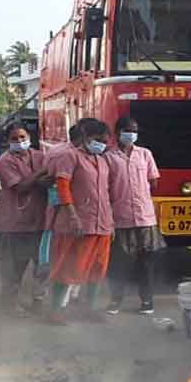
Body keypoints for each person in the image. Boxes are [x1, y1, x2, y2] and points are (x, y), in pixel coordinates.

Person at [47, 118, 114, 325]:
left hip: (101, 223)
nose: (102, 144)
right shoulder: (70, 156)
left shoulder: (103, 160)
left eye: (105, 140)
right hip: (77, 223)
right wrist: (72, 214)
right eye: (98, 139)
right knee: (69, 267)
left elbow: (106, 192)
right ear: (86, 137)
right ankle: (55, 311)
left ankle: (89, 309)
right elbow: (62, 186)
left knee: (98, 268)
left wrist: (111, 223)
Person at [106, 117, 166, 316]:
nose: (131, 134)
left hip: (145, 218)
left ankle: (147, 301)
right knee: (120, 261)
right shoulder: (109, 157)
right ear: (118, 132)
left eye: (135, 130)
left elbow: (153, 181)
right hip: (121, 217)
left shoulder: (145, 154)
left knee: (147, 261)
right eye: (128, 130)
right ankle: (115, 301)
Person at [0, 123, 51, 315]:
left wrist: (39, 178)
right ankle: (9, 304)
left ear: (29, 137)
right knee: (14, 268)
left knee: (42, 266)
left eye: (22, 137)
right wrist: (39, 175)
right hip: (14, 223)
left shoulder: (38, 156)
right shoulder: (5, 161)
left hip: (39, 220)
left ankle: (38, 301)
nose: (19, 141)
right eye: (14, 139)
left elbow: (46, 180)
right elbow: (21, 187)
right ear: (7, 141)